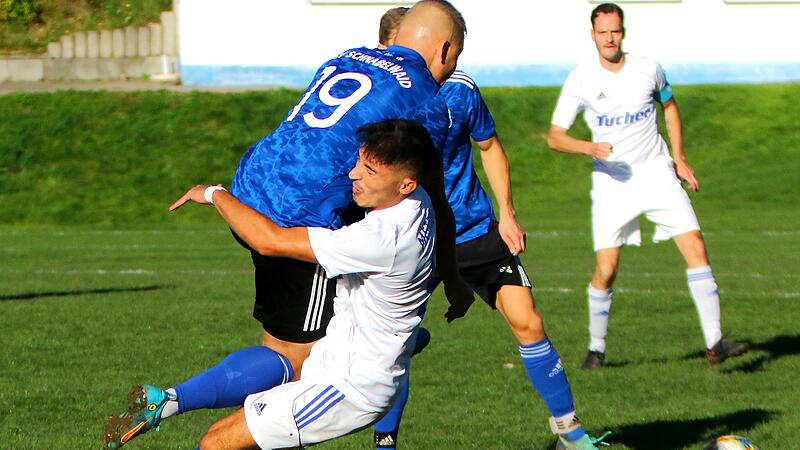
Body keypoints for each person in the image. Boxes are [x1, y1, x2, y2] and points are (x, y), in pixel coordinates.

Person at [103, 1, 472, 448]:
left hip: (252, 191)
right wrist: (452, 276)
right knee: (296, 369)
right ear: (446, 49)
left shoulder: (348, 57)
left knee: (297, 346)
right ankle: (171, 400)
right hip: (296, 220)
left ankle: (400, 343)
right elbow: (425, 188)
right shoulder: (423, 97)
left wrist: (220, 194)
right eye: (455, 60)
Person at [104, 119, 439, 450]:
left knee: (217, 443)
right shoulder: (418, 202)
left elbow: (269, 241)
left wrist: (214, 193)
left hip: (348, 388)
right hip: (334, 360)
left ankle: (170, 402)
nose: (354, 174)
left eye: (369, 171)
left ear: (406, 184)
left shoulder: (381, 238)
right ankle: (170, 402)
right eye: (358, 162)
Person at [372, 8, 608, 450]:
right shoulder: (378, 101)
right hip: (408, 239)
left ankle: (571, 435)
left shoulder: (461, 91)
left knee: (529, 323)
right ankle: (386, 443)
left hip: (474, 230)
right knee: (393, 350)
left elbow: (491, 146)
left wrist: (508, 212)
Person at [546, 2, 749, 370]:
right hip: (612, 182)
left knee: (696, 245)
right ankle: (596, 348)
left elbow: (669, 106)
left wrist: (680, 157)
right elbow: (555, 137)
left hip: (656, 171)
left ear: (623, 33)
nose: (610, 38)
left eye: (615, 31)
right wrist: (589, 147)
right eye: (603, 32)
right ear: (592, 35)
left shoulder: (648, 69)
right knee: (606, 269)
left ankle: (715, 343)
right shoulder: (581, 79)